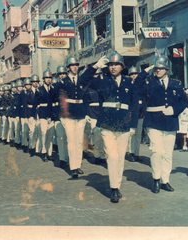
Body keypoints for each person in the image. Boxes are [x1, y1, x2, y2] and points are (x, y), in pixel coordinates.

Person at [88, 51, 139, 203]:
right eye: (110, 65)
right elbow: (83, 81)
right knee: (112, 156)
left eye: (116, 64)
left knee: (120, 157)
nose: (113, 67)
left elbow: (134, 106)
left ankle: (117, 184)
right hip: (107, 124)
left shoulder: (129, 83)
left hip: (124, 124)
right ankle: (114, 188)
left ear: (122, 66)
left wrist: (133, 126)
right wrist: (95, 67)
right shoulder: (103, 81)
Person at [136, 55, 188, 194]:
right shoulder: (149, 82)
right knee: (156, 151)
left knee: (167, 153)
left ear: (167, 69)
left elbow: (184, 102)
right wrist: (145, 71)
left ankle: (165, 180)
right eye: (157, 68)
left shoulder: (175, 84)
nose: (158, 70)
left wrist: (174, 110)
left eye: (161, 68)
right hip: (153, 120)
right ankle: (156, 179)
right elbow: (135, 86)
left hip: (170, 121)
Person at [58, 56, 97, 179]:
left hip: (80, 113)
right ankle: (73, 167)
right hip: (69, 114)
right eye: (72, 65)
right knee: (71, 141)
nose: (75, 67)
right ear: (68, 68)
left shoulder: (81, 79)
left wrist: (96, 66)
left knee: (79, 141)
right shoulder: (63, 82)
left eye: (76, 65)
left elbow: (88, 74)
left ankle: (78, 164)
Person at [127, 65, 145, 162]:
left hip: (140, 113)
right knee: (131, 134)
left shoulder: (142, 85)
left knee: (138, 135)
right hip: (131, 113)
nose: (134, 76)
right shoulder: (128, 85)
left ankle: (137, 153)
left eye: (135, 74)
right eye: (132, 74)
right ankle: (131, 152)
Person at [35, 70, 54, 162]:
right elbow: (36, 104)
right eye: (47, 78)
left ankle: (49, 153)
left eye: (50, 78)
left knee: (50, 135)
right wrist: (37, 116)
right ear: (43, 79)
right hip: (42, 114)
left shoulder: (53, 89)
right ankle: (43, 152)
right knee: (43, 133)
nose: (49, 80)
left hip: (51, 114)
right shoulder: (39, 90)